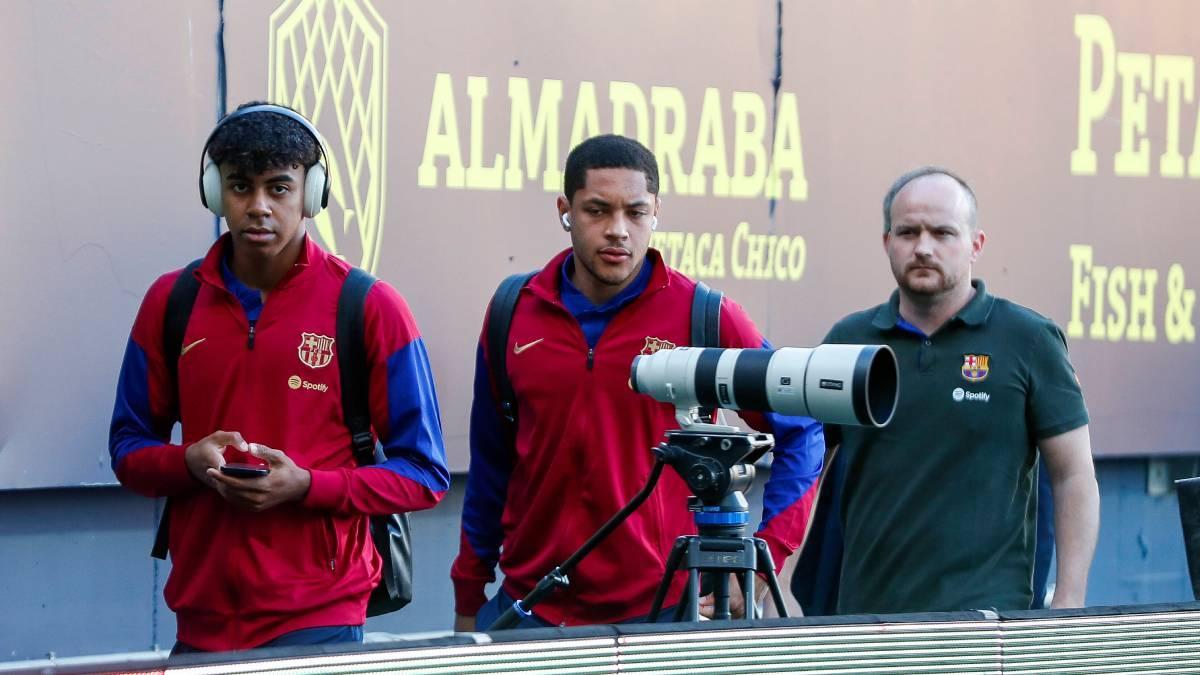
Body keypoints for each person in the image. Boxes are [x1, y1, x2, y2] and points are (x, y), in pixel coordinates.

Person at [108, 102, 449, 652]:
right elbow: (127, 449)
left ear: (311, 195)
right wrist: (189, 462)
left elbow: (425, 474)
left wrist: (309, 486)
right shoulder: (170, 302)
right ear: (216, 192)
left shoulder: (369, 306)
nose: (259, 207)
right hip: (201, 615)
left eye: (279, 188)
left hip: (321, 617)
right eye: (241, 187)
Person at [450, 134, 825, 630]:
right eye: (597, 211)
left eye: (635, 212)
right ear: (565, 210)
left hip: (660, 620)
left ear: (656, 213)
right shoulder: (512, 312)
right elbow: (491, 467)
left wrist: (762, 564)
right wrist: (468, 598)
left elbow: (801, 428)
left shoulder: (704, 317)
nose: (617, 231)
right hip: (528, 612)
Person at [820, 166, 1099, 614]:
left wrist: (1069, 600)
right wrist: (779, 585)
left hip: (989, 626)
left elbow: (1074, 475)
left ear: (976, 245)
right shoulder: (848, 340)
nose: (923, 247)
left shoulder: (1029, 340)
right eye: (908, 232)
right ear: (887, 243)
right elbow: (805, 466)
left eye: (943, 233)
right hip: (868, 625)